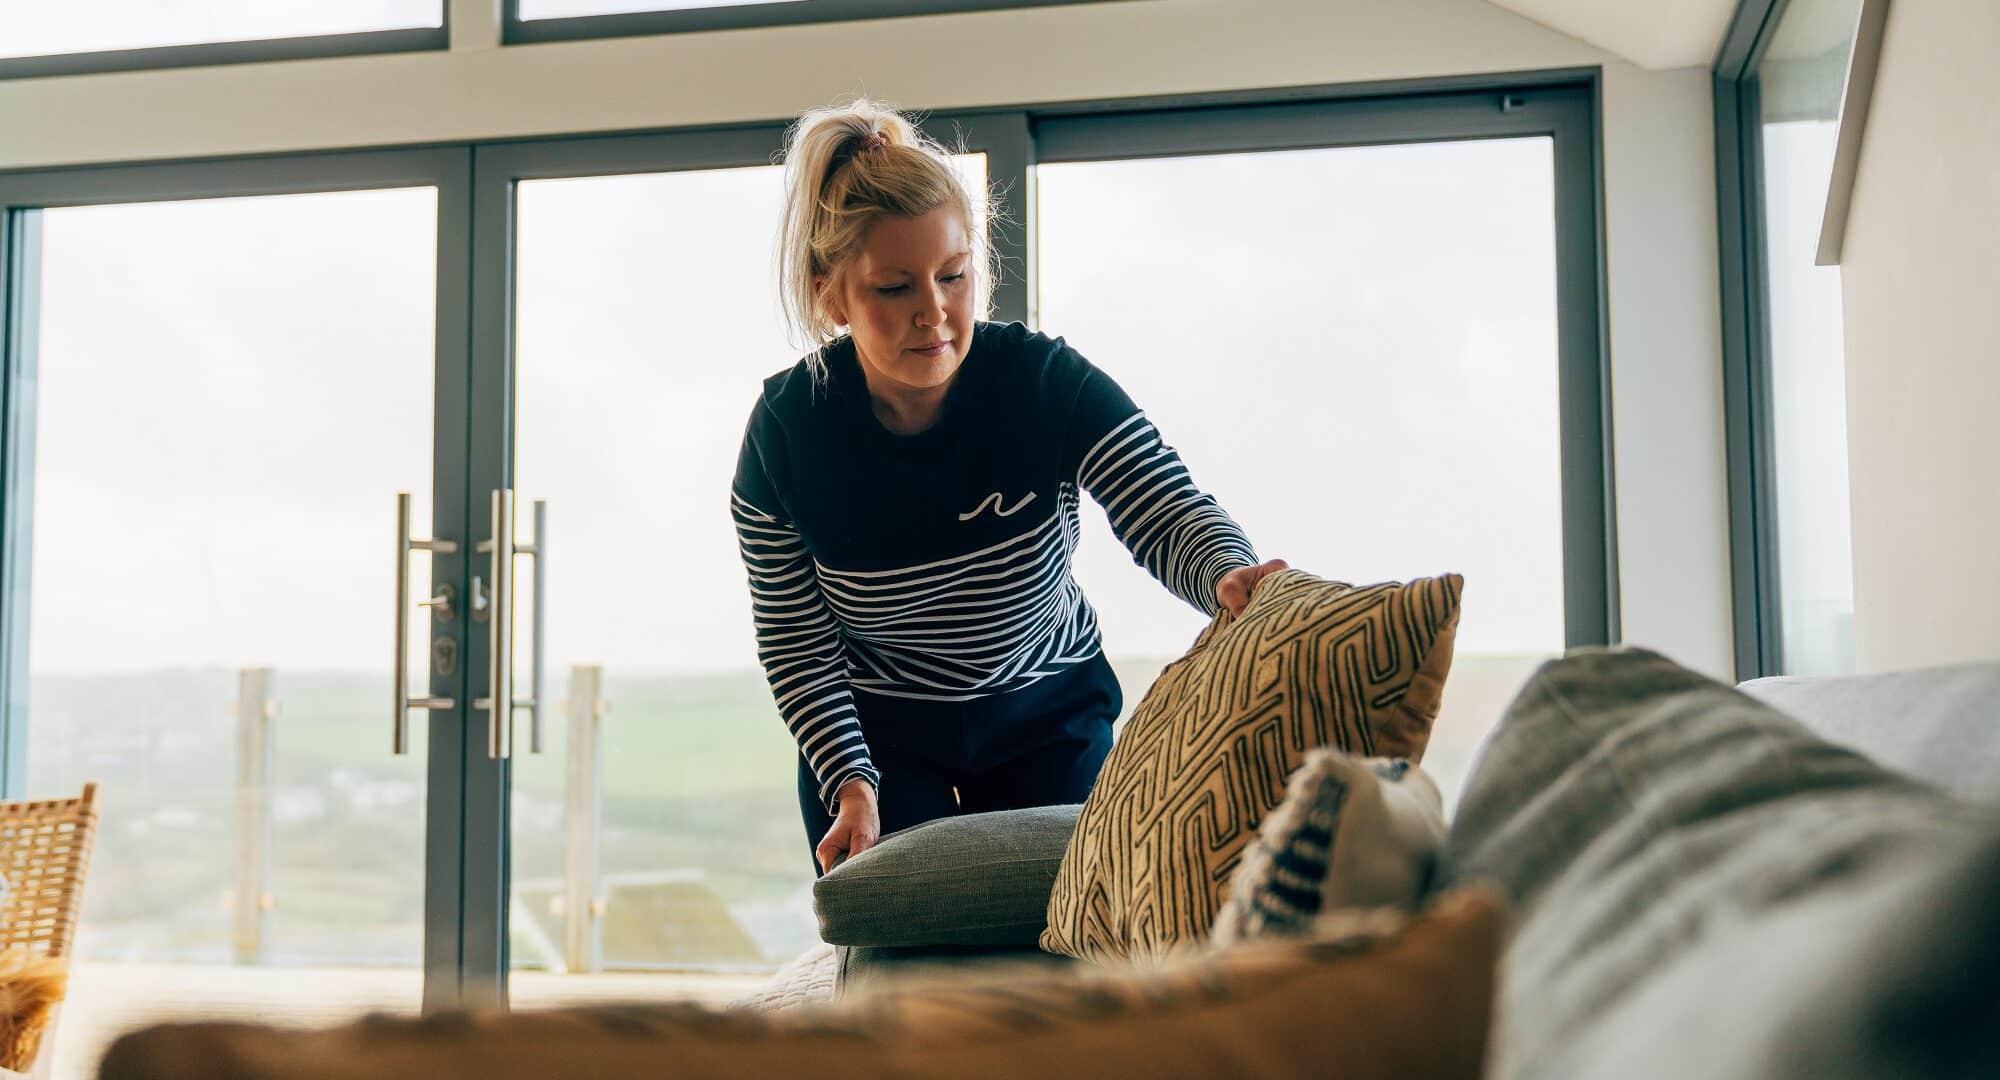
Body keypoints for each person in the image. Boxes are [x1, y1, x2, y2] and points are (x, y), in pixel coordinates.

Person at [731, 98, 1284, 875]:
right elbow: (798, 642)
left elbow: (1161, 502)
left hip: (1046, 710)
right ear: (832, 296)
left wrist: (1228, 573)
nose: (935, 314)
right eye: (894, 288)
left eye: (953, 276)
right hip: (881, 735)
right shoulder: (786, 434)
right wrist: (852, 780)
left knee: (1073, 931)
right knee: (908, 947)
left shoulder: (1042, 381)